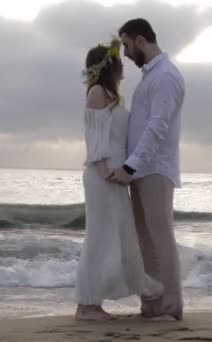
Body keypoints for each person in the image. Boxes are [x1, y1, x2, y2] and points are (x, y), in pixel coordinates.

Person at [74, 37, 162, 321]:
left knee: (122, 237)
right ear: (109, 66)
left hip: (116, 176)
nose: (123, 68)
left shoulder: (114, 98)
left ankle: (145, 294)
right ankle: (86, 305)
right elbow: (95, 137)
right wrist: (104, 171)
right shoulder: (97, 92)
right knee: (99, 237)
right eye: (118, 62)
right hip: (103, 176)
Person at [108, 18, 186, 321]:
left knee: (161, 237)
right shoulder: (150, 77)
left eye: (126, 45)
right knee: (146, 240)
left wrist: (130, 165)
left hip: (155, 168)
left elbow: (158, 127)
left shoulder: (165, 76)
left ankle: (171, 305)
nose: (125, 53)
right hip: (141, 170)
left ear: (140, 41)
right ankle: (153, 302)